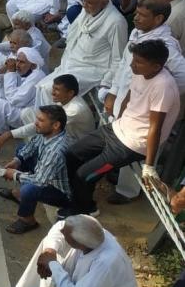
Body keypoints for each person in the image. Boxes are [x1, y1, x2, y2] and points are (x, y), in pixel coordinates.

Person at [64, 40, 181, 217]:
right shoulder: (140, 72)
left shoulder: (163, 86)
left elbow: (155, 128)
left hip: (132, 144)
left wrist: (149, 166)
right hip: (117, 129)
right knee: (71, 153)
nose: (132, 65)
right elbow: (129, 97)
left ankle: (86, 207)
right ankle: (75, 193)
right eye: (133, 60)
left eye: (138, 62)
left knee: (85, 174)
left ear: (156, 66)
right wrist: (118, 120)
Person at [34, 0, 127, 107]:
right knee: (40, 87)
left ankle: (55, 123)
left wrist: (107, 82)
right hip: (72, 62)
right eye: (84, 1)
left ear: (104, 2)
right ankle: (43, 122)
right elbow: (74, 35)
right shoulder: (87, 10)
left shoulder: (116, 22)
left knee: (49, 90)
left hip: (91, 69)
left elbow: (118, 58)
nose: (84, 5)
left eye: (89, 3)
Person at [0, 105, 72, 235]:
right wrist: (16, 161)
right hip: (47, 177)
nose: (36, 123)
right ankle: (19, 195)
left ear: (55, 125)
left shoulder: (56, 150)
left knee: (29, 189)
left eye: (41, 120)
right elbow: (31, 147)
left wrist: (15, 174)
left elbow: (40, 181)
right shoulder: (48, 134)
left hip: (60, 192)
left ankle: (27, 220)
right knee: (21, 150)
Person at [0, 74, 94, 152]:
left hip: (76, 144)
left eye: (57, 90)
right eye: (53, 88)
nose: (52, 93)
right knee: (27, 113)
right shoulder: (65, 99)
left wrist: (9, 134)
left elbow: (45, 124)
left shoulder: (75, 109)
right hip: (65, 134)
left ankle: (37, 152)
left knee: (44, 127)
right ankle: (35, 149)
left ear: (70, 93)